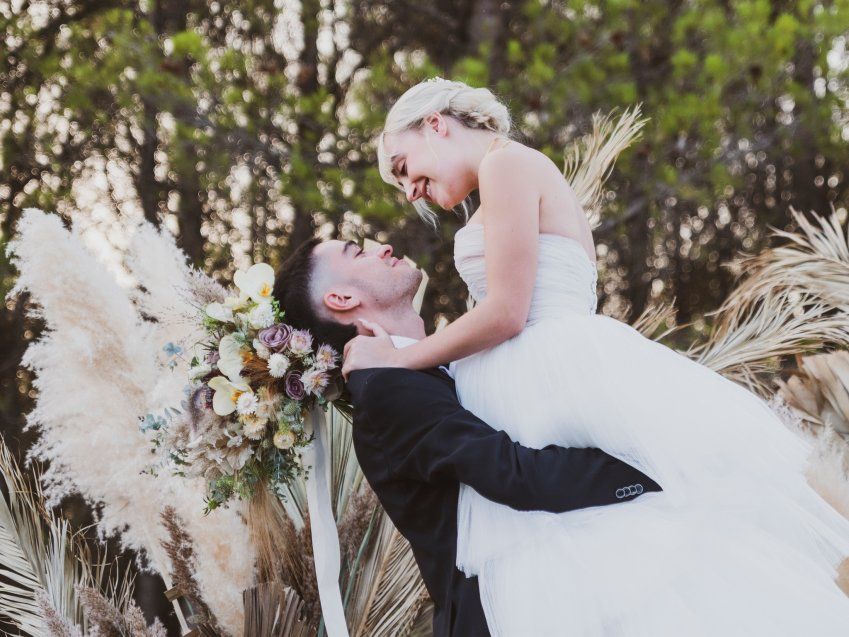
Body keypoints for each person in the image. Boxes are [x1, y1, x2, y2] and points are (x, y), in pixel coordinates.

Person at [340, 78, 849, 635]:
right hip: (539, 368)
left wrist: (398, 361)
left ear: (436, 125)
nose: (409, 190)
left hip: (550, 367)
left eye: (403, 165)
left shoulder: (505, 166)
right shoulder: (502, 177)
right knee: (600, 545)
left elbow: (507, 313)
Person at [273, 238, 661, 637]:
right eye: (357, 253)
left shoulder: (423, 366)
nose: (383, 247)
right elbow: (515, 474)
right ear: (340, 297)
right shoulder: (386, 390)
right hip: (506, 615)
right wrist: (648, 472)